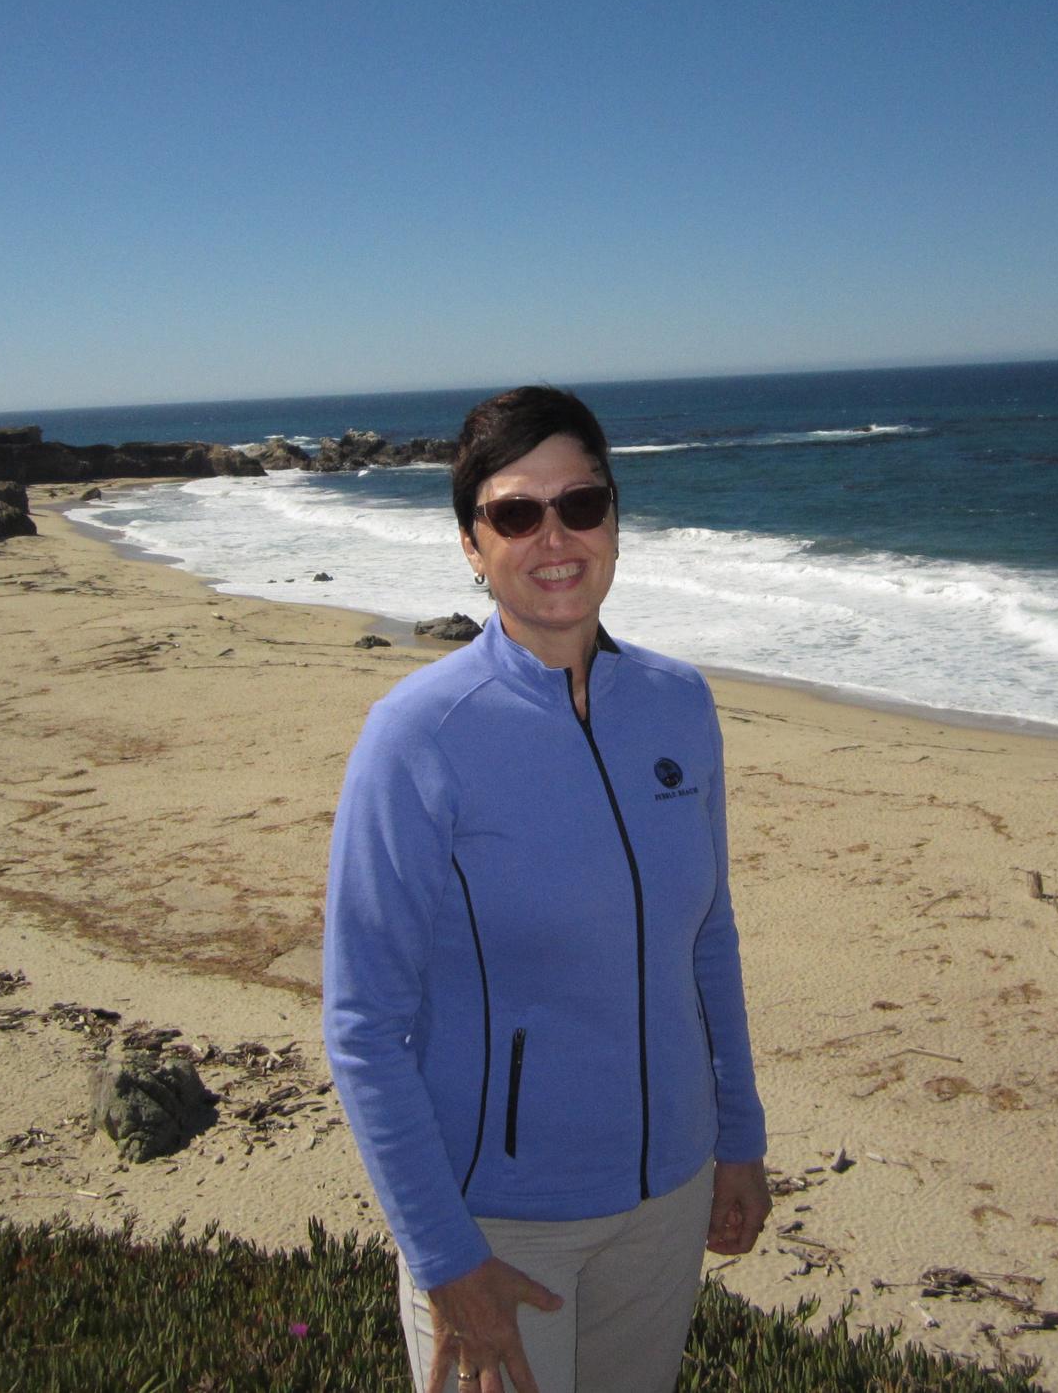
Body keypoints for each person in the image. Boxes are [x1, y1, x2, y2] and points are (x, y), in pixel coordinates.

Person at [323, 386, 772, 1393]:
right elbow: (362, 1026)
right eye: (516, 513)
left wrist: (736, 1140)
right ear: (472, 546)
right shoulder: (417, 736)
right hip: (498, 1225)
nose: (555, 537)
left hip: (665, 1207)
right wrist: (445, 1257)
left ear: (614, 519)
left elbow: (708, 940)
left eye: (582, 503)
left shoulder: (678, 703)